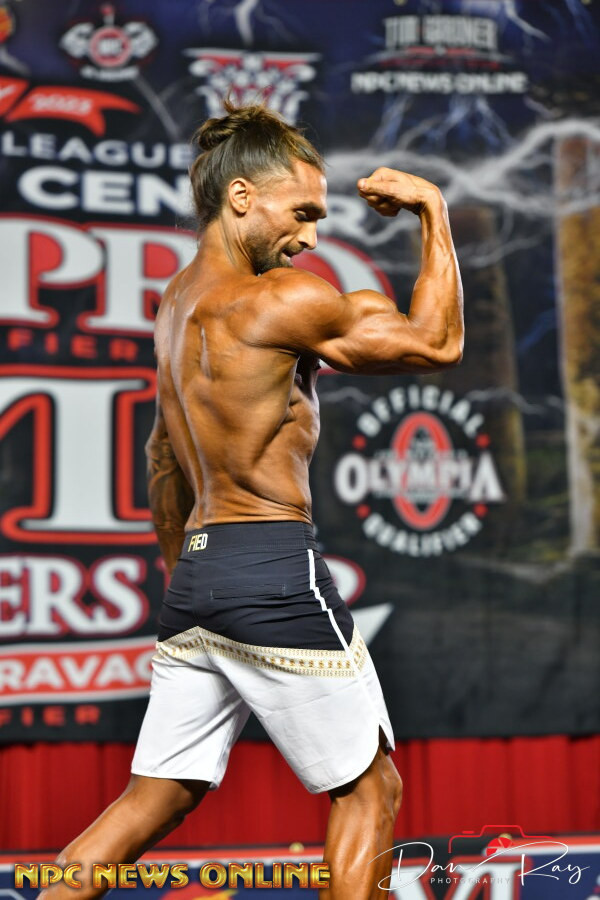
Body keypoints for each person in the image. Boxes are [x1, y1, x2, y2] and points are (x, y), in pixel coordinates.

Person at [42, 102, 463, 900]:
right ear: (241, 197)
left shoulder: (173, 306)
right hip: (271, 567)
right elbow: (436, 341)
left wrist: (192, 577)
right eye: (301, 213)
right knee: (370, 791)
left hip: (198, 582)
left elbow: (161, 457)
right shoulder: (281, 301)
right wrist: (432, 210)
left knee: (155, 798)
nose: (310, 237)